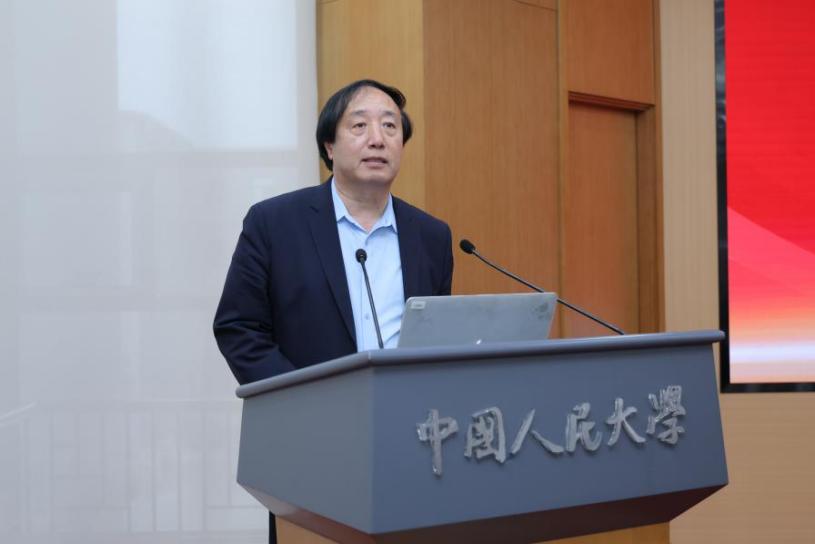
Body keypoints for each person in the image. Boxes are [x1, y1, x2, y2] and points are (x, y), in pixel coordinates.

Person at [213, 79, 453, 543]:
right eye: (359, 126)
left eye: (390, 127)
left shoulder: (431, 236)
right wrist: (307, 403)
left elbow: (435, 339)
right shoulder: (275, 223)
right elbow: (238, 327)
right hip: (309, 446)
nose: (377, 138)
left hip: (409, 447)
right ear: (329, 145)